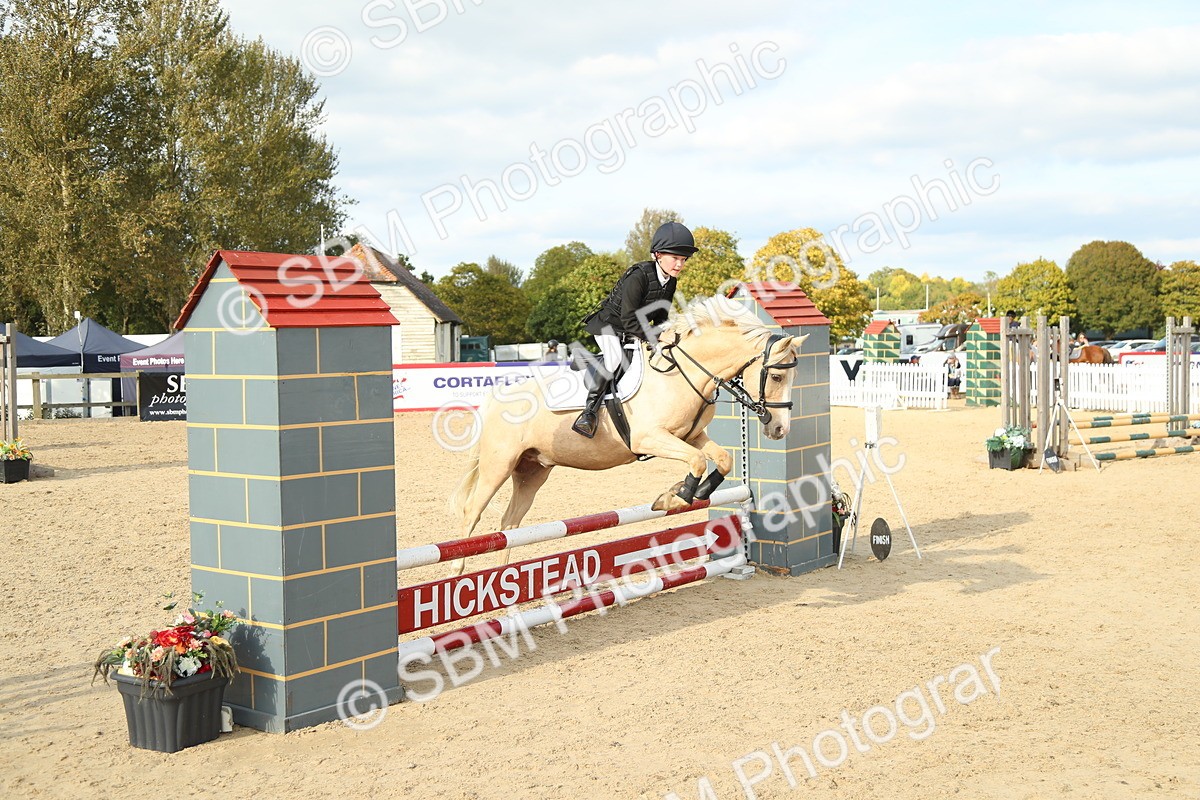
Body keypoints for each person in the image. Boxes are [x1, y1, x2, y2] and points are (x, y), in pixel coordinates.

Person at [571, 221, 698, 437]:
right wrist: (654, 337)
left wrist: (667, 334)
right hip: (609, 325)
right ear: (658, 254)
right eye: (675, 258)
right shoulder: (638, 276)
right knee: (614, 359)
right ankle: (589, 412)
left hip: (631, 329)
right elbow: (629, 319)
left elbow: (660, 316)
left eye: (683, 259)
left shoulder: (670, 282)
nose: (679, 264)